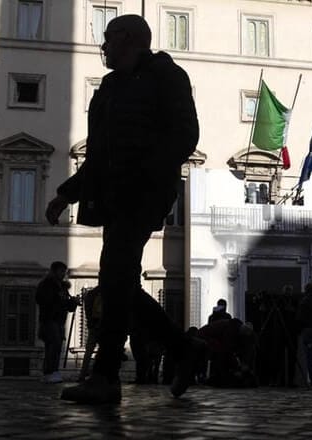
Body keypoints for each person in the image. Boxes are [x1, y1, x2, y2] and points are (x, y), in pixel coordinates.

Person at [45, 14, 201, 404]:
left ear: (129, 40)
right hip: (113, 198)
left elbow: (185, 135)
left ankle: (106, 376)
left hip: (144, 196)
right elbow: (98, 155)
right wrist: (68, 193)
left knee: (115, 276)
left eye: (109, 40)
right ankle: (183, 350)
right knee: (120, 284)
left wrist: (144, 173)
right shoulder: (109, 88)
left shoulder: (167, 76)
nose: (104, 47)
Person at [36, 262, 78, 384]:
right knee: (53, 346)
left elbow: (67, 306)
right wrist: (61, 301)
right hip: (49, 319)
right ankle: (50, 372)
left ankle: (52, 371)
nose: (63, 274)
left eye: (64, 271)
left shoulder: (63, 287)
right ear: (54, 271)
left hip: (59, 320)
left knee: (56, 346)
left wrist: (73, 302)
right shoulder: (46, 285)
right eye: (61, 271)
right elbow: (44, 301)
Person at [77, 287, 102, 381]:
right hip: (101, 326)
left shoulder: (91, 294)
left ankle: (82, 374)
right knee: (104, 350)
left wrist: (90, 322)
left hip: (93, 326)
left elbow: (87, 310)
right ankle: (98, 374)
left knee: (88, 352)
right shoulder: (108, 292)